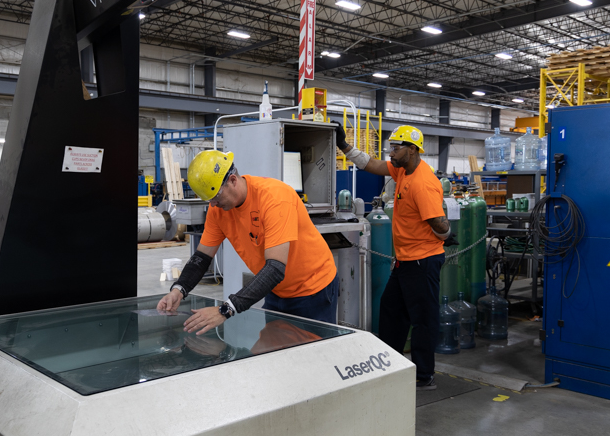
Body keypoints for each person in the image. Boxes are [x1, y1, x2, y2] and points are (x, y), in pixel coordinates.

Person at [157, 150, 339, 335]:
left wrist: (225, 310)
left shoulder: (275, 198)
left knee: (315, 349)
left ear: (233, 180)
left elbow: (275, 269)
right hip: (276, 290)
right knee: (276, 349)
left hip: (313, 289)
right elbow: (202, 257)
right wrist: (179, 289)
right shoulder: (218, 210)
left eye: (216, 197)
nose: (213, 205)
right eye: (209, 200)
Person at [336, 123, 452, 391]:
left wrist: (446, 234)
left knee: (423, 319)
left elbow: (438, 221)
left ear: (412, 150)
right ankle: (391, 365)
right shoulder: (403, 170)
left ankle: (424, 375)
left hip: (422, 261)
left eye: (396, 148)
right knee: (391, 311)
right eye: (391, 148)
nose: (391, 153)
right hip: (405, 261)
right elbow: (372, 165)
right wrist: (344, 146)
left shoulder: (422, 183)